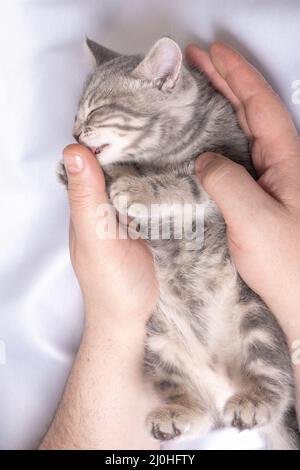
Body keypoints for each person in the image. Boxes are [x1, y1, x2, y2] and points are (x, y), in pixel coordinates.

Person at [40, 42, 300, 450]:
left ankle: (266, 391)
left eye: (94, 115)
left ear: (164, 81)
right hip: (176, 314)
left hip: (226, 302)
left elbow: (223, 186)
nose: (78, 129)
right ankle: (189, 404)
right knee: (161, 338)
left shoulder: (213, 124)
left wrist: (150, 192)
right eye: (80, 116)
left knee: (246, 307)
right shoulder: (133, 159)